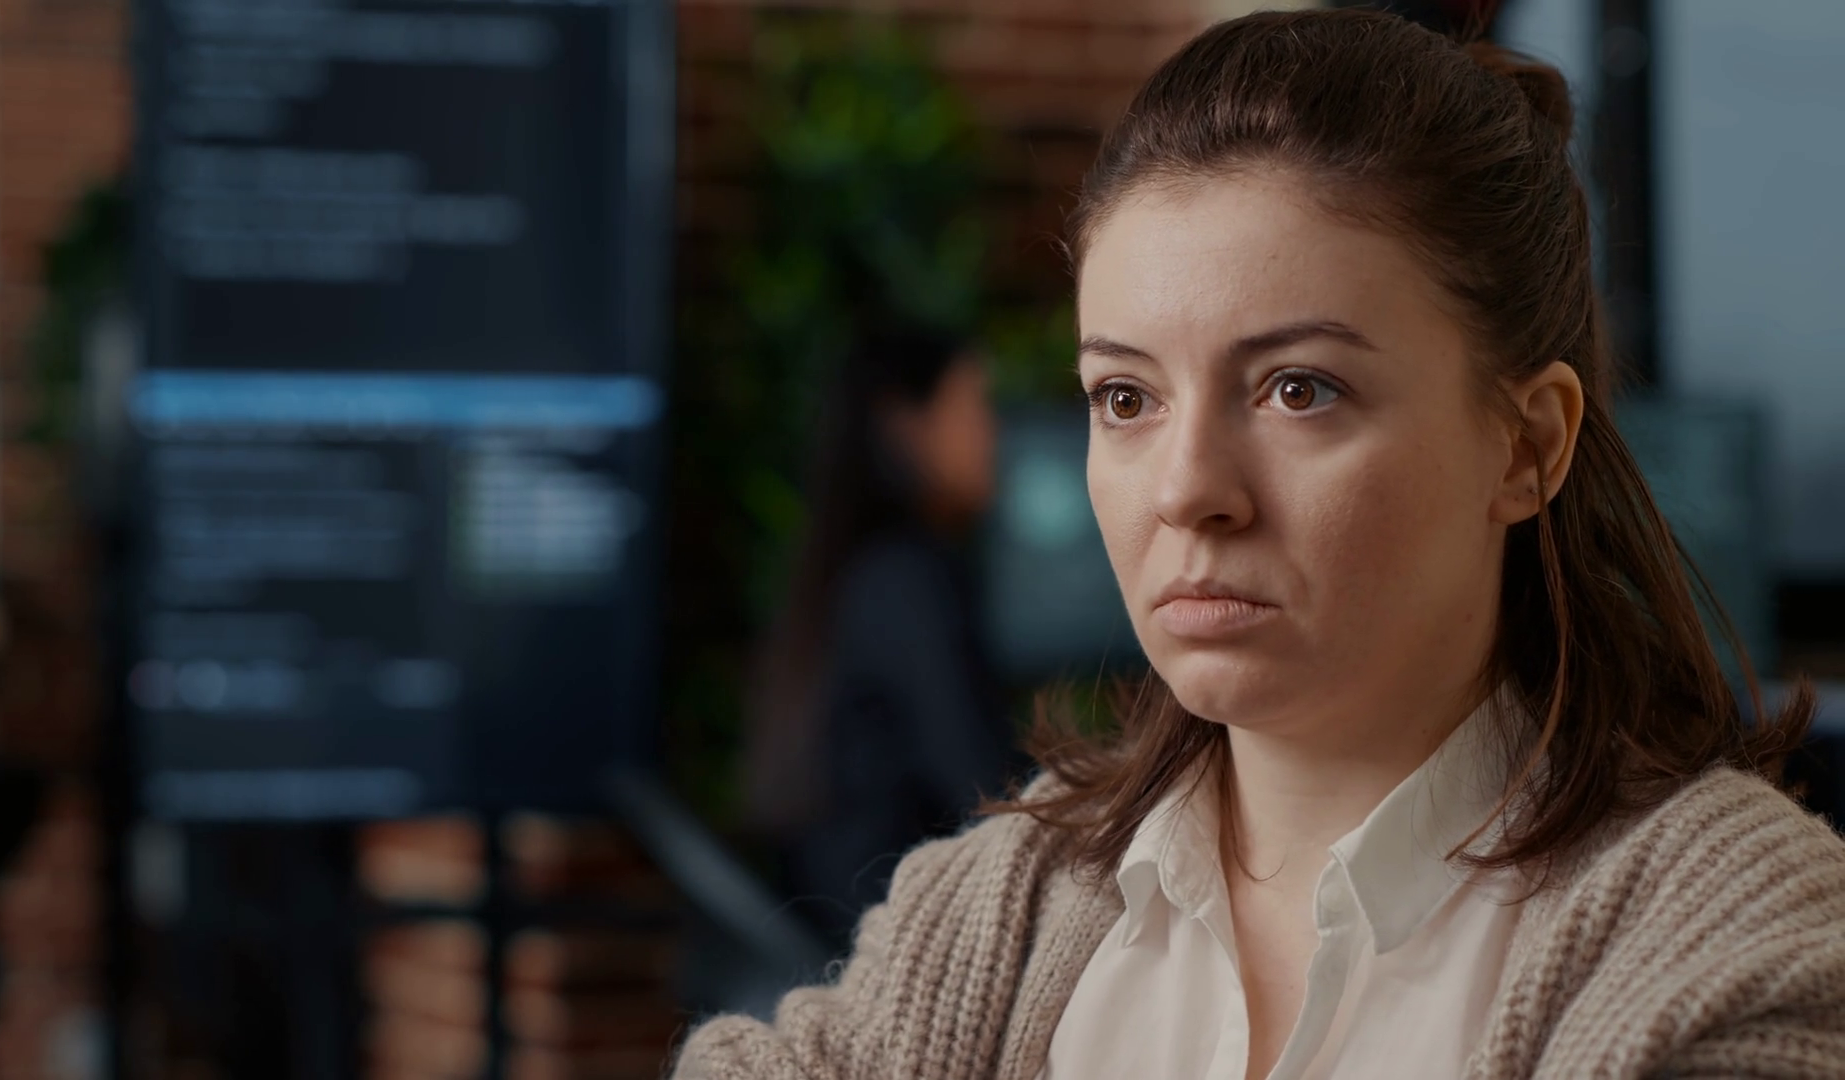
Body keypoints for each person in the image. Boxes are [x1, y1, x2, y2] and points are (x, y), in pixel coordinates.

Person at [678, 10, 1845, 1079]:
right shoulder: (997, 909)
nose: (1187, 491)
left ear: (1526, 446)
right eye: (1126, 399)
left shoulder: (1737, 943)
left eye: (1299, 389)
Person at [744, 325, 1015, 948]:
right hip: (897, 944)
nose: (995, 433)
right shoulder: (908, 579)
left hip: (843, 932)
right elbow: (987, 790)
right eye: (977, 408)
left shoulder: (850, 575)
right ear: (906, 424)